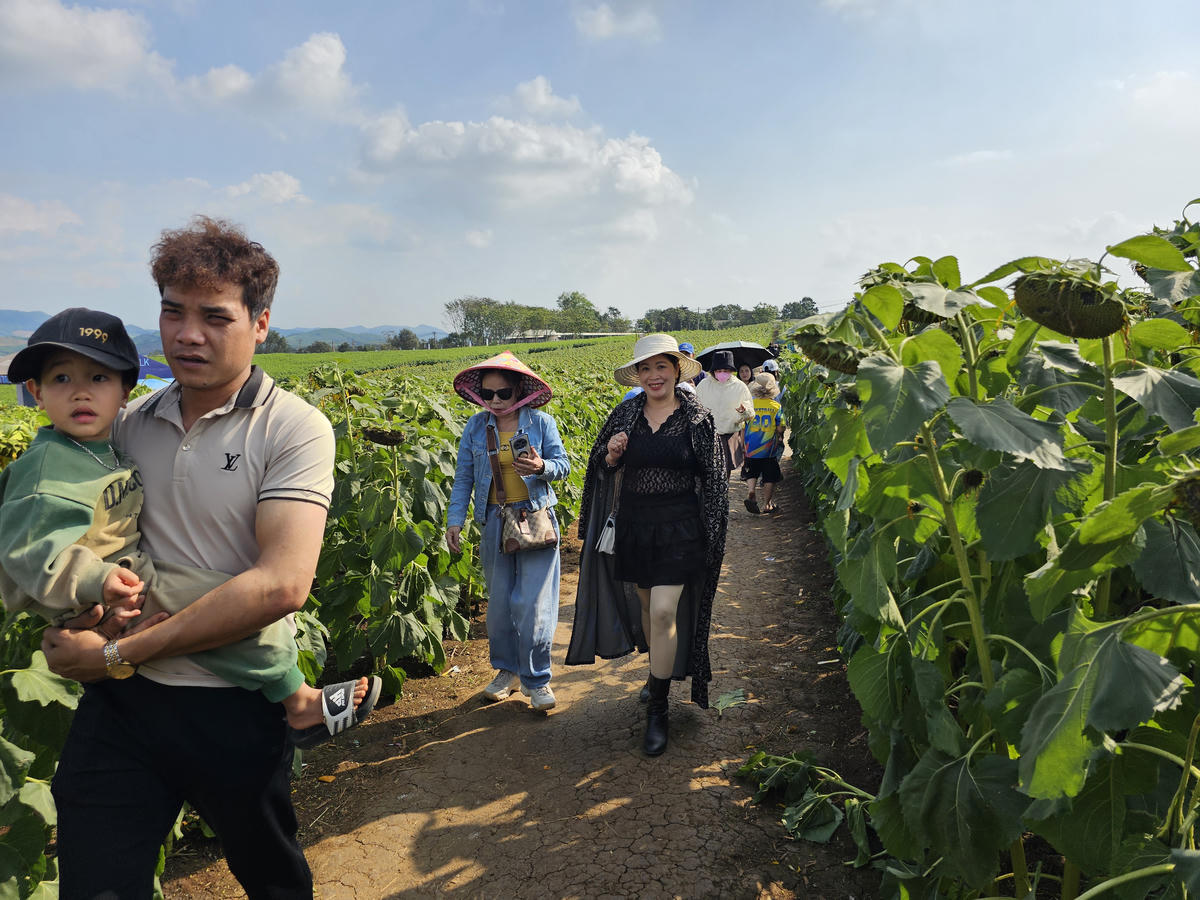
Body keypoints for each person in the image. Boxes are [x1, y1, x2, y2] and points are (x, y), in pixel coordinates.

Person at [40, 216, 338, 898]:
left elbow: (281, 586)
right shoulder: (130, 422)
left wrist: (118, 654)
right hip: (121, 709)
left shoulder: (293, 428)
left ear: (260, 324)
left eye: (214, 316)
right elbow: (95, 543)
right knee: (94, 882)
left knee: (271, 877)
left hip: (230, 706)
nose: (187, 334)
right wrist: (86, 625)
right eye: (172, 313)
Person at [0, 308, 379, 751]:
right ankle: (299, 701)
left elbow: (282, 587)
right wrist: (93, 584)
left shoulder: (104, 442)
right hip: (111, 587)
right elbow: (26, 550)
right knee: (234, 613)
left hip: (138, 602)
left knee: (239, 605)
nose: (81, 393)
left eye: (98, 379)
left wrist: (109, 652)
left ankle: (293, 699)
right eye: (61, 379)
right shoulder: (55, 459)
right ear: (35, 392)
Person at [566, 333, 729, 756]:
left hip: (680, 528)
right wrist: (611, 455)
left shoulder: (698, 418)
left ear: (677, 370)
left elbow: (714, 481)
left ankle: (658, 709)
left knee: (661, 612)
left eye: (662, 366)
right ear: (637, 376)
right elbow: (598, 469)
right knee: (645, 610)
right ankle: (656, 676)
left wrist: (713, 535)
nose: (654, 375)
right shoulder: (624, 416)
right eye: (646, 368)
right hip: (636, 528)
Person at [446, 351, 570, 712]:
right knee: (499, 607)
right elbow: (464, 478)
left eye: (504, 393)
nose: (496, 401)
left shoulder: (542, 423)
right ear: (480, 396)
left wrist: (541, 465)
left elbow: (562, 465)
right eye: (489, 394)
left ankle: (537, 679)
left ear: (520, 392)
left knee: (533, 606)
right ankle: (507, 672)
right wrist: (455, 520)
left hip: (535, 520)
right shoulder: (475, 427)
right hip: (494, 522)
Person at [694, 349, 753, 474]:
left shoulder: (739, 386)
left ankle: (723, 493)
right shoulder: (704, 385)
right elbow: (695, 407)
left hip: (729, 436)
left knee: (724, 473)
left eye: (725, 371)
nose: (722, 373)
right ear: (713, 371)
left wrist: (744, 411)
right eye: (719, 371)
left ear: (731, 371)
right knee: (707, 472)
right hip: (708, 437)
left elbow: (750, 412)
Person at [740, 373, 785, 514]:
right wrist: (780, 432)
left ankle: (751, 492)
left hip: (751, 447)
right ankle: (767, 504)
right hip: (768, 448)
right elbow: (781, 426)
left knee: (751, 472)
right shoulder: (776, 406)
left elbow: (743, 427)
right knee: (769, 476)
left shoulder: (750, 406)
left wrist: (743, 445)